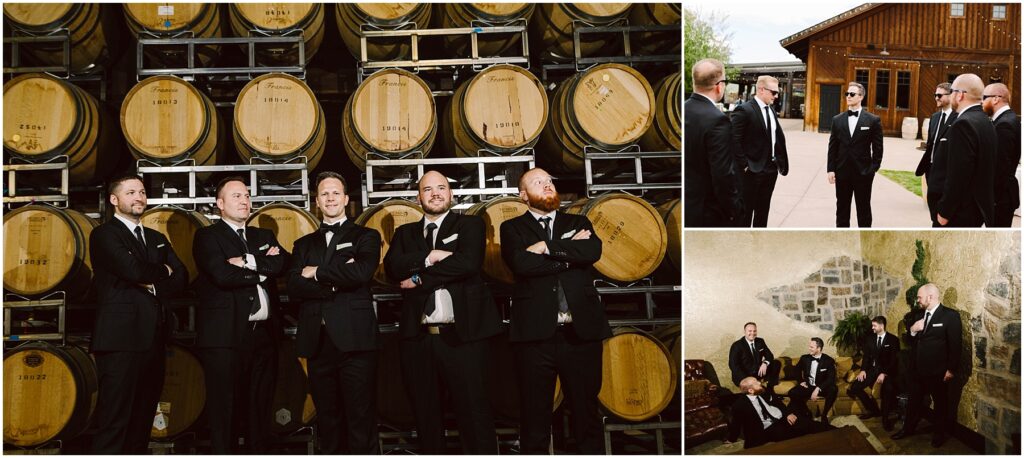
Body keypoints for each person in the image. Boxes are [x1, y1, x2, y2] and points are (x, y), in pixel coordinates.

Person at [383, 171, 501, 453]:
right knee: (426, 416)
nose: (435, 193)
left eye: (441, 188)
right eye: (428, 189)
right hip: (419, 339)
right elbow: (393, 268)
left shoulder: (470, 224)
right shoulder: (405, 233)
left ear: (451, 194)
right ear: (418, 197)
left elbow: (469, 263)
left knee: (474, 414)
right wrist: (430, 257)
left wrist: (420, 278)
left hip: (465, 337)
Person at [499, 167, 612, 453]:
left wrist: (545, 246)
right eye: (538, 182)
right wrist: (566, 254)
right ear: (523, 195)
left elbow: (591, 252)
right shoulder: (512, 228)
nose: (548, 185)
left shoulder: (579, 220)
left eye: (550, 180)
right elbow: (522, 265)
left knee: (586, 412)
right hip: (535, 336)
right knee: (535, 414)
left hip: (580, 332)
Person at [89, 173, 187, 453]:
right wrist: (161, 272)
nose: (139, 197)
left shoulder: (156, 237)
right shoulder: (104, 234)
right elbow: (133, 270)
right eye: (131, 192)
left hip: (154, 338)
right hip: (120, 340)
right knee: (115, 420)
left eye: (142, 192)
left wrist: (151, 277)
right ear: (114, 199)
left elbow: (180, 276)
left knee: (143, 420)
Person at [192, 177, 288, 453]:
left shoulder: (263, 236)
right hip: (225, 337)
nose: (244, 200)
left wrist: (248, 261)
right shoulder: (207, 237)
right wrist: (262, 268)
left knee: (261, 409)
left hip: (264, 337)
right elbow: (222, 275)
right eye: (236, 196)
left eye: (246, 195)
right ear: (219, 204)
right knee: (226, 410)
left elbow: (283, 262)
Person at [288, 172, 381, 453]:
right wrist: (339, 276)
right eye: (325, 194)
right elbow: (294, 286)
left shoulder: (366, 236)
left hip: (355, 340)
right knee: (328, 419)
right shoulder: (303, 244)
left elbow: (362, 273)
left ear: (346, 199)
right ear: (317, 201)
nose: (330, 198)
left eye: (335, 193)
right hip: (318, 342)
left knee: (359, 418)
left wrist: (315, 273)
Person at [892, 284, 963, 448]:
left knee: (940, 404)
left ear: (930, 297)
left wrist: (951, 369)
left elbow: (955, 345)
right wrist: (913, 330)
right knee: (913, 401)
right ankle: (908, 429)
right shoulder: (917, 315)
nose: (917, 300)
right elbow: (909, 342)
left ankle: (939, 435)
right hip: (917, 370)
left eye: (919, 297)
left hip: (938, 371)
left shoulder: (950, 316)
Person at [684, 58, 743, 227]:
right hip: (708, 212)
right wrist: (734, 211)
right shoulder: (717, 120)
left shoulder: (683, 110)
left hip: (688, 206)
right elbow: (723, 174)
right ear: (720, 85)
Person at [936, 73, 997, 227]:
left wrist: (945, 212)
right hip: (978, 207)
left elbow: (958, 174)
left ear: (960, 95)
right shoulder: (986, 121)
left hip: (960, 211)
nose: (951, 97)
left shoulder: (963, 124)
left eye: (952, 92)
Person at [732, 75, 790, 227]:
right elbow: (734, 141)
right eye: (774, 92)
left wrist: (778, 163)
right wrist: (745, 165)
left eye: (778, 93)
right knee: (745, 215)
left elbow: (776, 138)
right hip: (751, 172)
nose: (776, 96)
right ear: (761, 90)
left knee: (763, 214)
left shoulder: (771, 110)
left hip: (770, 170)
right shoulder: (743, 110)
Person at [827, 82, 883, 227]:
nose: (848, 97)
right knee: (842, 210)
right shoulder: (837, 120)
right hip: (842, 172)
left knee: (864, 210)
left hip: (863, 173)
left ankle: (865, 239)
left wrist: (873, 168)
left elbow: (878, 148)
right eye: (847, 94)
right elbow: (833, 147)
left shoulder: (873, 120)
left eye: (852, 94)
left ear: (861, 97)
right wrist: (831, 169)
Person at [725, 377, 831, 449]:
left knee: (806, 423)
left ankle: (838, 431)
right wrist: (731, 439)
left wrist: (787, 414)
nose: (760, 383)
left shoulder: (763, 391)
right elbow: (736, 424)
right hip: (768, 428)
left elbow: (778, 403)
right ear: (751, 391)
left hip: (780, 417)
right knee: (793, 436)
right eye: (756, 383)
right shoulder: (739, 405)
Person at [916, 83, 958, 226]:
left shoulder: (958, 118)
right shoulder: (934, 117)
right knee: (933, 212)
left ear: (950, 95)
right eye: (935, 95)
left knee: (944, 214)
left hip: (946, 172)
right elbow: (931, 144)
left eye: (939, 95)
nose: (936, 98)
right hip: (930, 171)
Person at [848, 316, 900, 431]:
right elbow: (866, 357)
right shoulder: (870, 339)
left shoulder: (893, 340)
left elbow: (894, 361)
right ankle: (874, 410)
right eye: (872, 325)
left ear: (882, 326)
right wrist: (863, 370)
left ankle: (885, 419)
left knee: (888, 389)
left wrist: (884, 373)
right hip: (872, 370)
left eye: (874, 325)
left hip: (887, 371)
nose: (872, 328)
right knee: (855, 387)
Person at [982, 83, 1020, 227]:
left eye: (984, 97)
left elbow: (1000, 167)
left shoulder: (1005, 124)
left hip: (1000, 197)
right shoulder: (1008, 119)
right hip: (1002, 195)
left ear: (996, 99)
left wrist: (990, 198)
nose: (982, 102)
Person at [787, 337, 838, 424]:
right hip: (808, 386)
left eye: (811, 347)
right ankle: (806, 411)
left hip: (822, 387)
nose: (809, 349)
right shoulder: (804, 358)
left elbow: (831, 378)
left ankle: (824, 415)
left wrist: (818, 389)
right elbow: (796, 370)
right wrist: (801, 381)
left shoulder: (828, 360)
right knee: (792, 392)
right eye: (809, 346)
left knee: (833, 389)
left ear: (819, 348)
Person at [728, 322, 781, 392]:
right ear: (744, 332)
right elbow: (733, 365)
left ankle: (770, 387)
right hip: (744, 375)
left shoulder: (760, 341)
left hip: (758, 372)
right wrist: (748, 379)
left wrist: (765, 363)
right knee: (759, 390)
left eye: (754, 331)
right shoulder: (737, 345)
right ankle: (761, 388)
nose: (752, 333)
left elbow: (769, 355)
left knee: (776, 363)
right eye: (750, 331)